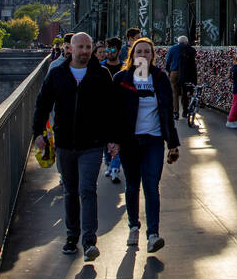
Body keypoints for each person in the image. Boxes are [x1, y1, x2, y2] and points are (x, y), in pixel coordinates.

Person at [32, 31, 121, 262]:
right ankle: (72, 236)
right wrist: (38, 132)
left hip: (92, 144)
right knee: (70, 192)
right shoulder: (57, 74)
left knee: (87, 190)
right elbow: (43, 104)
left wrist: (113, 138)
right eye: (80, 47)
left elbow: (112, 107)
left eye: (88, 46)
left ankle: (89, 240)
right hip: (64, 144)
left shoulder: (100, 75)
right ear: (70, 49)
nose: (84, 51)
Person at [112, 36, 180, 252]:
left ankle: (153, 234)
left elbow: (167, 112)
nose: (143, 55)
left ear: (153, 56)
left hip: (153, 140)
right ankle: (133, 226)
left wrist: (173, 143)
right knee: (132, 185)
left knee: (151, 186)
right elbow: (114, 112)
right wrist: (113, 140)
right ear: (132, 55)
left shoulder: (160, 78)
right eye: (139, 51)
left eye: (147, 52)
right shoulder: (122, 78)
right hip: (130, 141)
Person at [100, 37, 123, 181]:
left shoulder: (124, 68)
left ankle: (115, 166)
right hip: (103, 110)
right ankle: (109, 162)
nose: (109, 52)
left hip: (120, 110)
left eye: (112, 49)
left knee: (118, 138)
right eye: (107, 49)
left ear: (119, 51)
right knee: (105, 139)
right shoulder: (100, 67)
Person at [166, 35, 198, 120]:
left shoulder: (173, 48)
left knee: (174, 93)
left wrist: (169, 71)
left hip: (174, 72)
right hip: (186, 73)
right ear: (186, 42)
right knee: (185, 92)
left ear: (178, 41)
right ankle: (185, 111)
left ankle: (175, 112)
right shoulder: (190, 50)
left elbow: (168, 62)